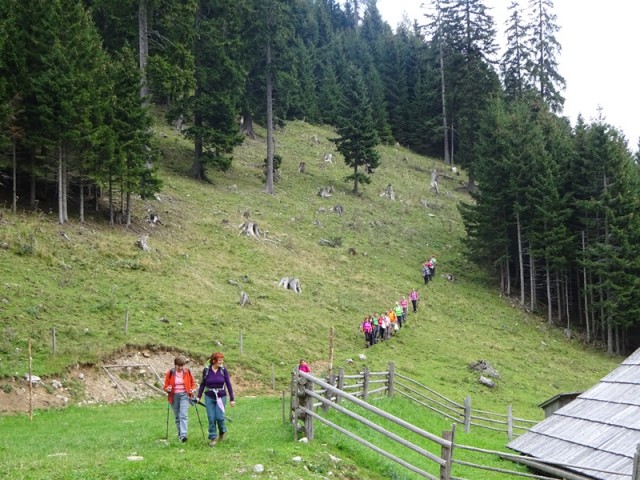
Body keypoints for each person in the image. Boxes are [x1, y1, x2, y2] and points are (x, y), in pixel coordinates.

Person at [197, 352, 235, 447]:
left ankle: (222, 431)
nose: (221, 362)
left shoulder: (223, 370)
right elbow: (203, 384)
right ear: (213, 361)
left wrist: (232, 399)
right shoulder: (206, 371)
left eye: (222, 360)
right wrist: (198, 396)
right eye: (219, 360)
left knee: (220, 417)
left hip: (221, 396)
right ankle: (213, 437)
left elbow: (228, 384)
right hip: (209, 396)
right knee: (211, 418)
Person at [163, 355, 197, 443]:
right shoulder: (170, 373)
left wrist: (193, 389)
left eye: (182, 365)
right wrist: (168, 388)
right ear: (175, 365)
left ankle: (183, 435)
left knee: (184, 415)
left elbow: (193, 383)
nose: (181, 368)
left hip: (185, 395)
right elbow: (165, 386)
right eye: (179, 366)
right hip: (174, 396)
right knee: (177, 417)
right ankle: (180, 435)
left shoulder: (187, 372)